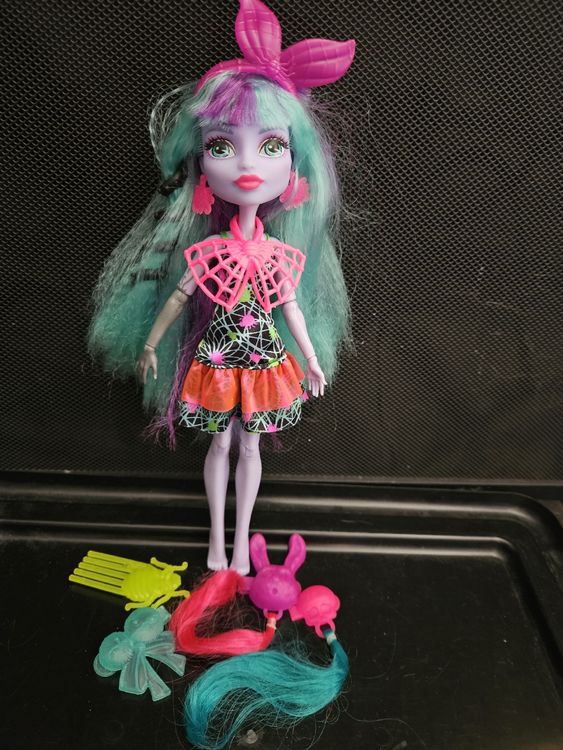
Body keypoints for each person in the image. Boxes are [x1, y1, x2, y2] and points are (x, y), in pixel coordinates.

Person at [89, 0, 355, 575]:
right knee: (221, 443)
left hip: (261, 358)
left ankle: (240, 546)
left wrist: (311, 359)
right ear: (201, 164)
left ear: (296, 167)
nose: (247, 166)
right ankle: (217, 541)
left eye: (272, 146)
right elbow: (180, 295)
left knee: (249, 445)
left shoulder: (282, 253)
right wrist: (151, 344)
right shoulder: (208, 251)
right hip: (217, 357)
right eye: (221, 146)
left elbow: (291, 307)